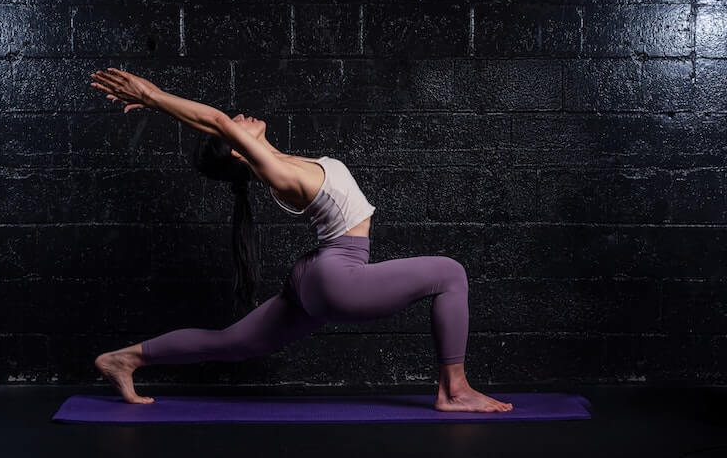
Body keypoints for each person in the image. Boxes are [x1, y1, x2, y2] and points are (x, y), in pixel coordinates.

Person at [89, 68, 513, 413]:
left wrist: (158, 94)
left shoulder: (280, 162)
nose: (238, 117)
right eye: (235, 128)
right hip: (336, 277)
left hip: (313, 276)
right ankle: (454, 390)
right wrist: (150, 97)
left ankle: (125, 358)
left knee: (232, 343)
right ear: (238, 151)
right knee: (450, 274)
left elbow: (214, 126)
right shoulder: (277, 174)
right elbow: (215, 121)